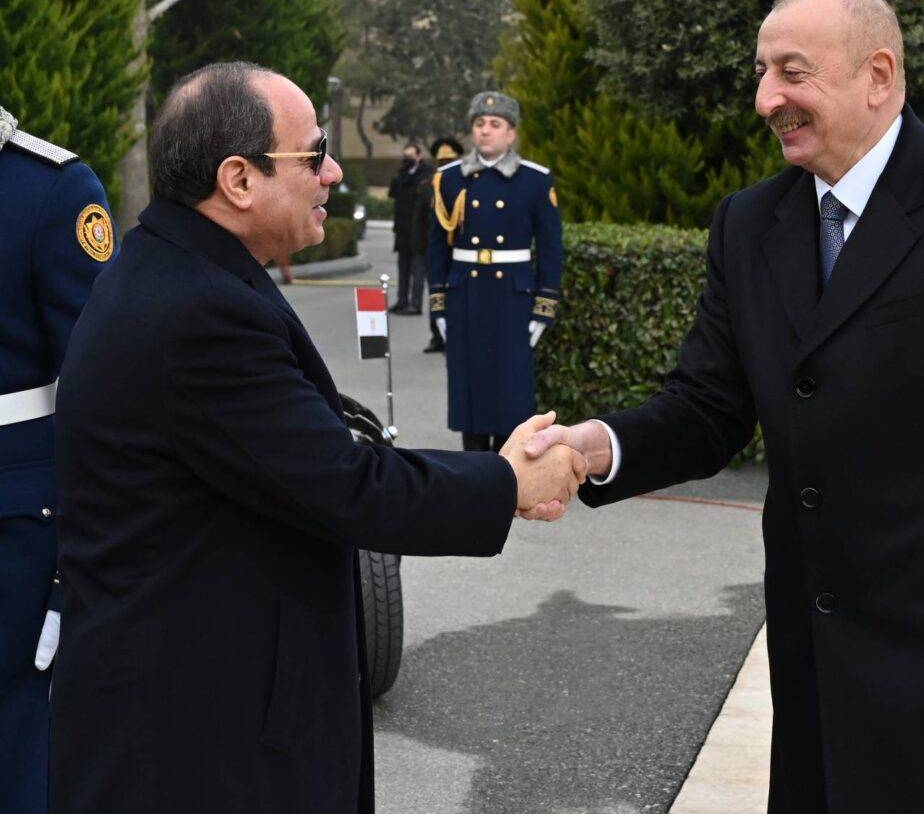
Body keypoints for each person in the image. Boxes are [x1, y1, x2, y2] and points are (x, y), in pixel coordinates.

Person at [525, 0, 924, 812]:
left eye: (792, 74)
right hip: (815, 672)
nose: (768, 99)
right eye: (761, 74)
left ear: (878, 75)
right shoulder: (750, 224)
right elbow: (707, 406)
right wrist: (594, 448)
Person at [49, 62, 584, 814]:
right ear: (239, 179)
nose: (333, 171)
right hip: (195, 744)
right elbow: (344, 483)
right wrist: (509, 483)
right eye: (313, 154)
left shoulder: (180, 268)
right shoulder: (199, 312)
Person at [0, 106, 115, 814]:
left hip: (15, 528)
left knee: (18, 751)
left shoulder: (50, 188)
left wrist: (76, 563)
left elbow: (104, 399)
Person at [428, 94, 563, 452]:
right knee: (468, 389)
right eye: (479, 123)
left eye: (495, 124)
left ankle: (507, 478)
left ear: (511, 134)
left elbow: (550, 250)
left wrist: (544, 307)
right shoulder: (449, 178)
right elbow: (436, 249)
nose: (485, 131)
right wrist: (439, 305)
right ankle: (474, 476)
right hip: (465, 296)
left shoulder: (535, 180)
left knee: (510, 394)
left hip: (511, 300)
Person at [420, 137, 464, 353]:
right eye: (442, 161)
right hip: (435, 247)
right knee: (436, 291)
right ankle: (437, 335)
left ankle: (454, 336)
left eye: (449, 160)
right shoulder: (431, 184)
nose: (444, 165)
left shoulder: (465, 183)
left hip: (457, 248)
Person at [387, 141, 433, 314]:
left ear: (419, 156)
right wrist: (402, 173)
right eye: (405, 156)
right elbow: (393, 192)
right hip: (402, 228)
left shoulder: (427, 173)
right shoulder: (401, 173)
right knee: (403, 266)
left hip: (420, 230)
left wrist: (411, 174)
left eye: (411, 156)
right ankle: (402, 300)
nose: (408, 159)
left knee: (418, 268)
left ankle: (416, 303)